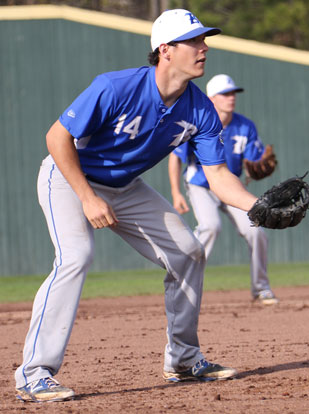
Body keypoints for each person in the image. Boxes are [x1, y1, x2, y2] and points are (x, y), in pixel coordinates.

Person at [15, 10, 260, 403]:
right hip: (68, 175)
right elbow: (57, 137)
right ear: (166, 50)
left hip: (126, 186)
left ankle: (182, 359)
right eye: (194, 41)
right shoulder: (116, 87)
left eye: (203, 40)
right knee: (75, 256)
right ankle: (33, 373)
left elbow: (218, 177)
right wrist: (87, 196)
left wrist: (258, 206)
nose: (204, 47)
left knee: (189, 253)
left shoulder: (200, 109)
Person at [168, 73, 278, 305]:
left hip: (230, 187)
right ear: (212, 98)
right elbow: (175, 158)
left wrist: (258, 166)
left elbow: (253, 161)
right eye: (225, 94)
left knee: (256, 231)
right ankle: (187, 286)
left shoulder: (245, 125)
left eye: (233, 93)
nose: (231, 98)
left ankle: (261, 288)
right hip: (200, 185)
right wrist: (176, 192)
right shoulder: (197, 121)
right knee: (210, 226)